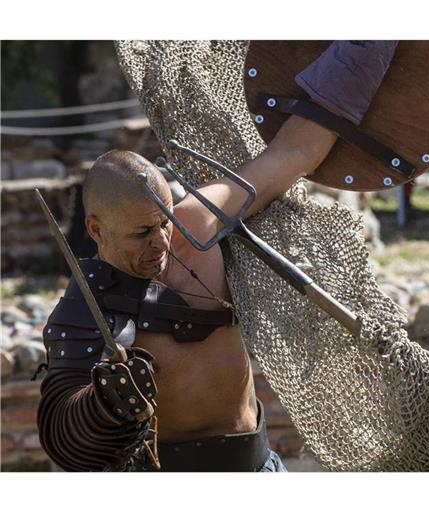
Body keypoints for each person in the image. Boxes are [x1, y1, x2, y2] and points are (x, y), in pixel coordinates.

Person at [36, 41, 398, 472]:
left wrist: (370, 44)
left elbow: (293, 152)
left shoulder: (198, 223)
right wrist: (104, 404)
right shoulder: (86, 305)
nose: (161, 242)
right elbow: (64, 441)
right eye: (141, 233)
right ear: (96, 230)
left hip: (262, 468)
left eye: (164, 222)